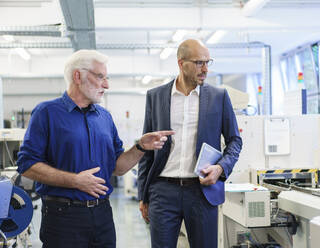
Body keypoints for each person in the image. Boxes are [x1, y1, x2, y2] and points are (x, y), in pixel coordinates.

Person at [16, 49, 174, 248]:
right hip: (62, 217)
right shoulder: (47, 113)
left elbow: (117, 167)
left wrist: (141, 147)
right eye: (100, 77)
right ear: (77, 76)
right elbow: (26, 164)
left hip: (102, 216)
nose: (106, 85)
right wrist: (75, 181)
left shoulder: (104, 117)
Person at [138, 39, 242, 248]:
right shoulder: (156, 97)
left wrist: (221, 168)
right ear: (181, 63)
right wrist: (143, 195)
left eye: (207, 62)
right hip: (163, 190)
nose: (205, 69)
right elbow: (147, 151)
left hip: (201, 191)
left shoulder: (218, 97)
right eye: (198, 63)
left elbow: (234, 141)